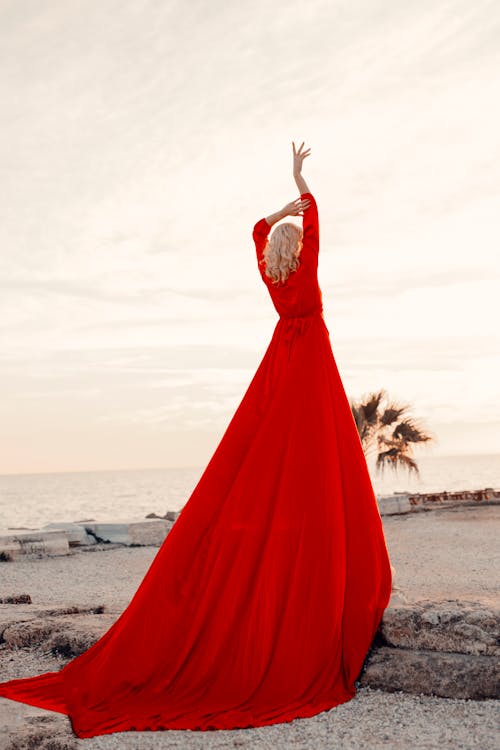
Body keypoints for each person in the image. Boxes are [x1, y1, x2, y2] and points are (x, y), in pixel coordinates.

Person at [0, 141, 393, 738]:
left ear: (273, 254)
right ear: (299, 252)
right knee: (314, 459)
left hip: (284, 360)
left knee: (270, 455)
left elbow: (257, 229)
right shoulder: (304, 272)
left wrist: (284, 207)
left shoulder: (273, 273)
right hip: (310, 364)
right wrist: (300, 185)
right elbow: (309, 223)